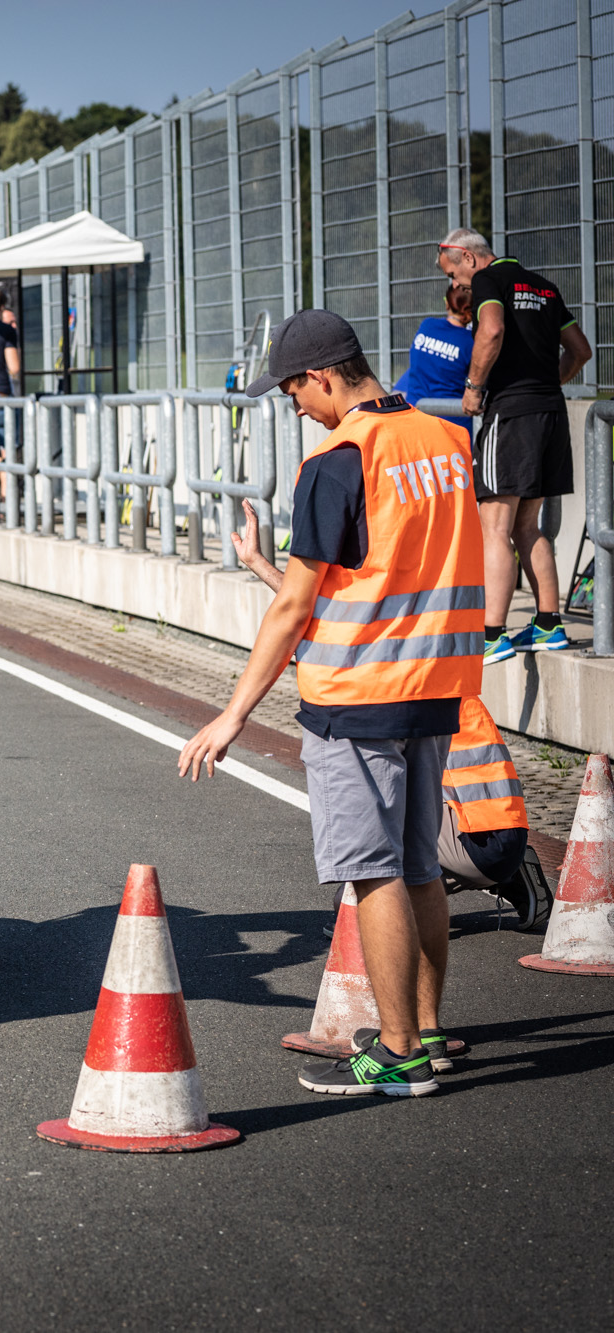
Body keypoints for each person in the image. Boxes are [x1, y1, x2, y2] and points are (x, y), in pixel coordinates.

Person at [179, 309, 483, 1098]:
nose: (298, 410)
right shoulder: (444, 441)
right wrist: (259, 562)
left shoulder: (341, 459)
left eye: (293, 394)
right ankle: (429, 1030)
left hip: (358, 695)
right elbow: (386, 573)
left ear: (320, 376)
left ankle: (398, 1051)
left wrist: (233, 714)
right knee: (419, 867)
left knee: (372, 873)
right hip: (435, 685)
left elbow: (297, 608)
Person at [229, 500, 549, 947]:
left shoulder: (395, 680)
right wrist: (258, 563)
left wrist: (258, 564)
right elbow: (322, 621)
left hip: (474, 841)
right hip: (500, 834)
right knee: (396, 824)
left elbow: (312, 620)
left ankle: (380, 912)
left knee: (366, 829)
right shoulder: (434, 657)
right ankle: (507, 874)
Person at [436, 228, 588, 662]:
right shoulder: (543, 285)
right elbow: (580, 350)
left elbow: (491, 330)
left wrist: (473, 388)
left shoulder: (489, 280)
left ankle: (492, 634)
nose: (456, 285)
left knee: (495, 527)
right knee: (527, 526)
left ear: (468, 258)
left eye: (453, 274)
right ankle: (549, 625)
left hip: (511, 416)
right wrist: (545, 383)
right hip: (550, 414)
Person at [393, 283, 475, 436]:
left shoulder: (427, 325)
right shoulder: (471, 342)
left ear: (447, 303)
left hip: (416, 417)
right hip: (452, 424)